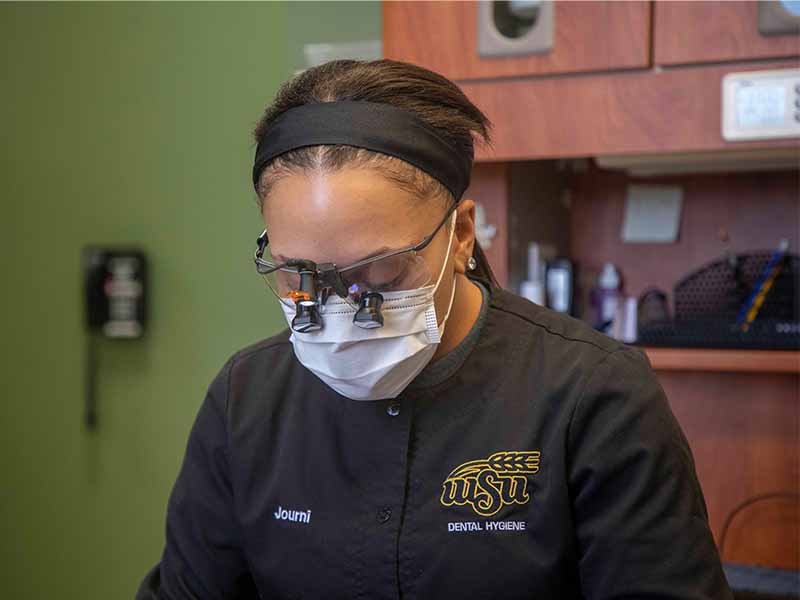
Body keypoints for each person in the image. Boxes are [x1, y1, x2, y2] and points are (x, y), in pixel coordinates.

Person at [136, 58, 733, 599]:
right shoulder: (246, 401)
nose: (342, 310)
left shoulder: (594, 397)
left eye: (381, 271)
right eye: (302, 275)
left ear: (461, 236)